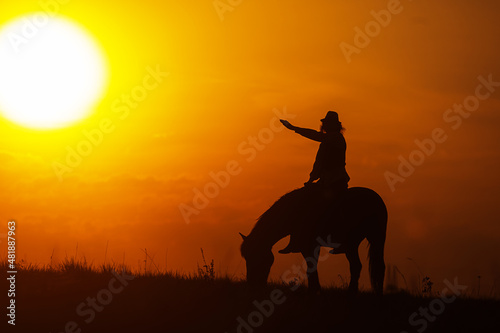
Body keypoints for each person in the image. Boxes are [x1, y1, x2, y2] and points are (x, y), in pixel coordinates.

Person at [278, 111, 350, 254]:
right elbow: (319, 161)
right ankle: (296, 239)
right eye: (325, 123)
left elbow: (316, 140)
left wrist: (294, 128)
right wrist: (312, 179)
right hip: (325, 181)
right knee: (303, 203)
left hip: (335, 182)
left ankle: (343, 240)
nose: (325, 126)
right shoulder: (328, 140)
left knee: (329, 207)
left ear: (335, 126)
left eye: (328, 123)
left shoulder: (335, 138)